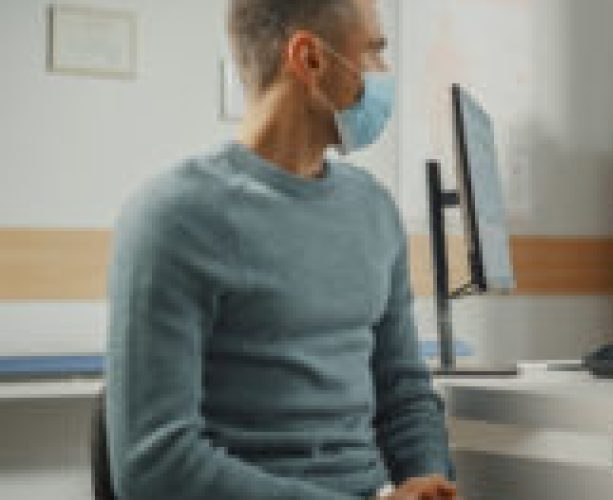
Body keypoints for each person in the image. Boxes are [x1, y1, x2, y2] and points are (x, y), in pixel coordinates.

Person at [106, 1, 457, 498]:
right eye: (375, 51)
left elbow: (404, 394)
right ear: (309, 58)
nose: (384, 74)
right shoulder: (171, 218)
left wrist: (427, 479)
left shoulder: (374, 209)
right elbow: (154, 464)